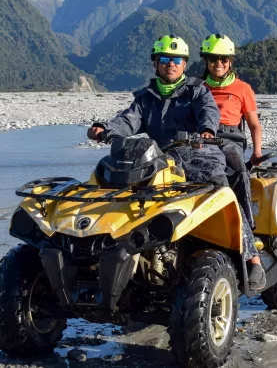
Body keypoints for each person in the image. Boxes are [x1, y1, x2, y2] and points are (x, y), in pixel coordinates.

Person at [88, 34, 265, 290]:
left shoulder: (197, 90)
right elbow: (128, 120)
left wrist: (207, 129)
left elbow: (209, 111)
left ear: (184, 65)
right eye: (165, 59)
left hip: (200, 156)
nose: (170, 64)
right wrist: (104, 128)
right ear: (155, 63)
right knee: (116, 188)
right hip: (161, 160)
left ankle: (252, 258)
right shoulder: (145, 98)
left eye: (176, 60)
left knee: (223, 190)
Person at [198, 33, 266, 287]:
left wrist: (256, 152)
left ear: (230, 61)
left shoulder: (242, 89)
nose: (219, 63)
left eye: (224, 59)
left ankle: (252, 255)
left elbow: (254, 125)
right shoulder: (196, 87)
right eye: (214, 58)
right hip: (201, 137)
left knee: (237, 170)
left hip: (229, 139)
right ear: (206, 60)